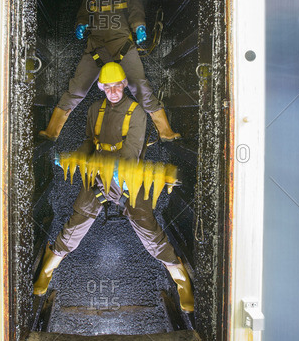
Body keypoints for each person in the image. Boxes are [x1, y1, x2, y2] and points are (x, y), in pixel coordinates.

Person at [33, 63, 194, 313]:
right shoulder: (94, 109)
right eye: (107, 87)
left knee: (148, 229)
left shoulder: (137, 112)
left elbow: (130, 153)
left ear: (124, 85)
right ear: (101, 88)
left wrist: (114, 179)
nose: (113, 92)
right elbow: (89, 142)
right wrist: (76, 157)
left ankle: (179, 276)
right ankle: (48, 266)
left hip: (129, 177)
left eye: (117, 86)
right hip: (98, 174)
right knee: (77, 223)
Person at [38, 0, 181, 143]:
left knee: (142, 88)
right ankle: (51, 132)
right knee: (76, 90)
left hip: (123, 45)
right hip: (95, 47)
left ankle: (166, 133)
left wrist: (139, 26)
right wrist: (81, 24)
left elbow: (136, 12)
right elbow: (84, 13)